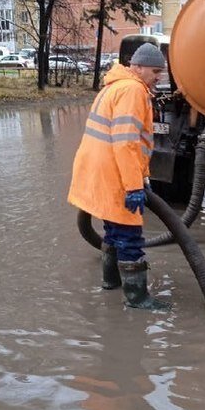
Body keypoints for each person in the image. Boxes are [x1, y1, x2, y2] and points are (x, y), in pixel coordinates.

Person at [68, 42, 170, 311]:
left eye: (161, 71)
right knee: (129, 237)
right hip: (114, 175)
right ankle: (137, 299)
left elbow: (133, 142)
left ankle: (110, 284)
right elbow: (126, 142)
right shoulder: (133, 90)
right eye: (155, 70)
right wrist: (134, 186)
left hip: (98, 171)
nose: (158, 76)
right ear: (137, 67)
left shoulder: (115, 85)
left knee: (112, 233)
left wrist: (143, 175)